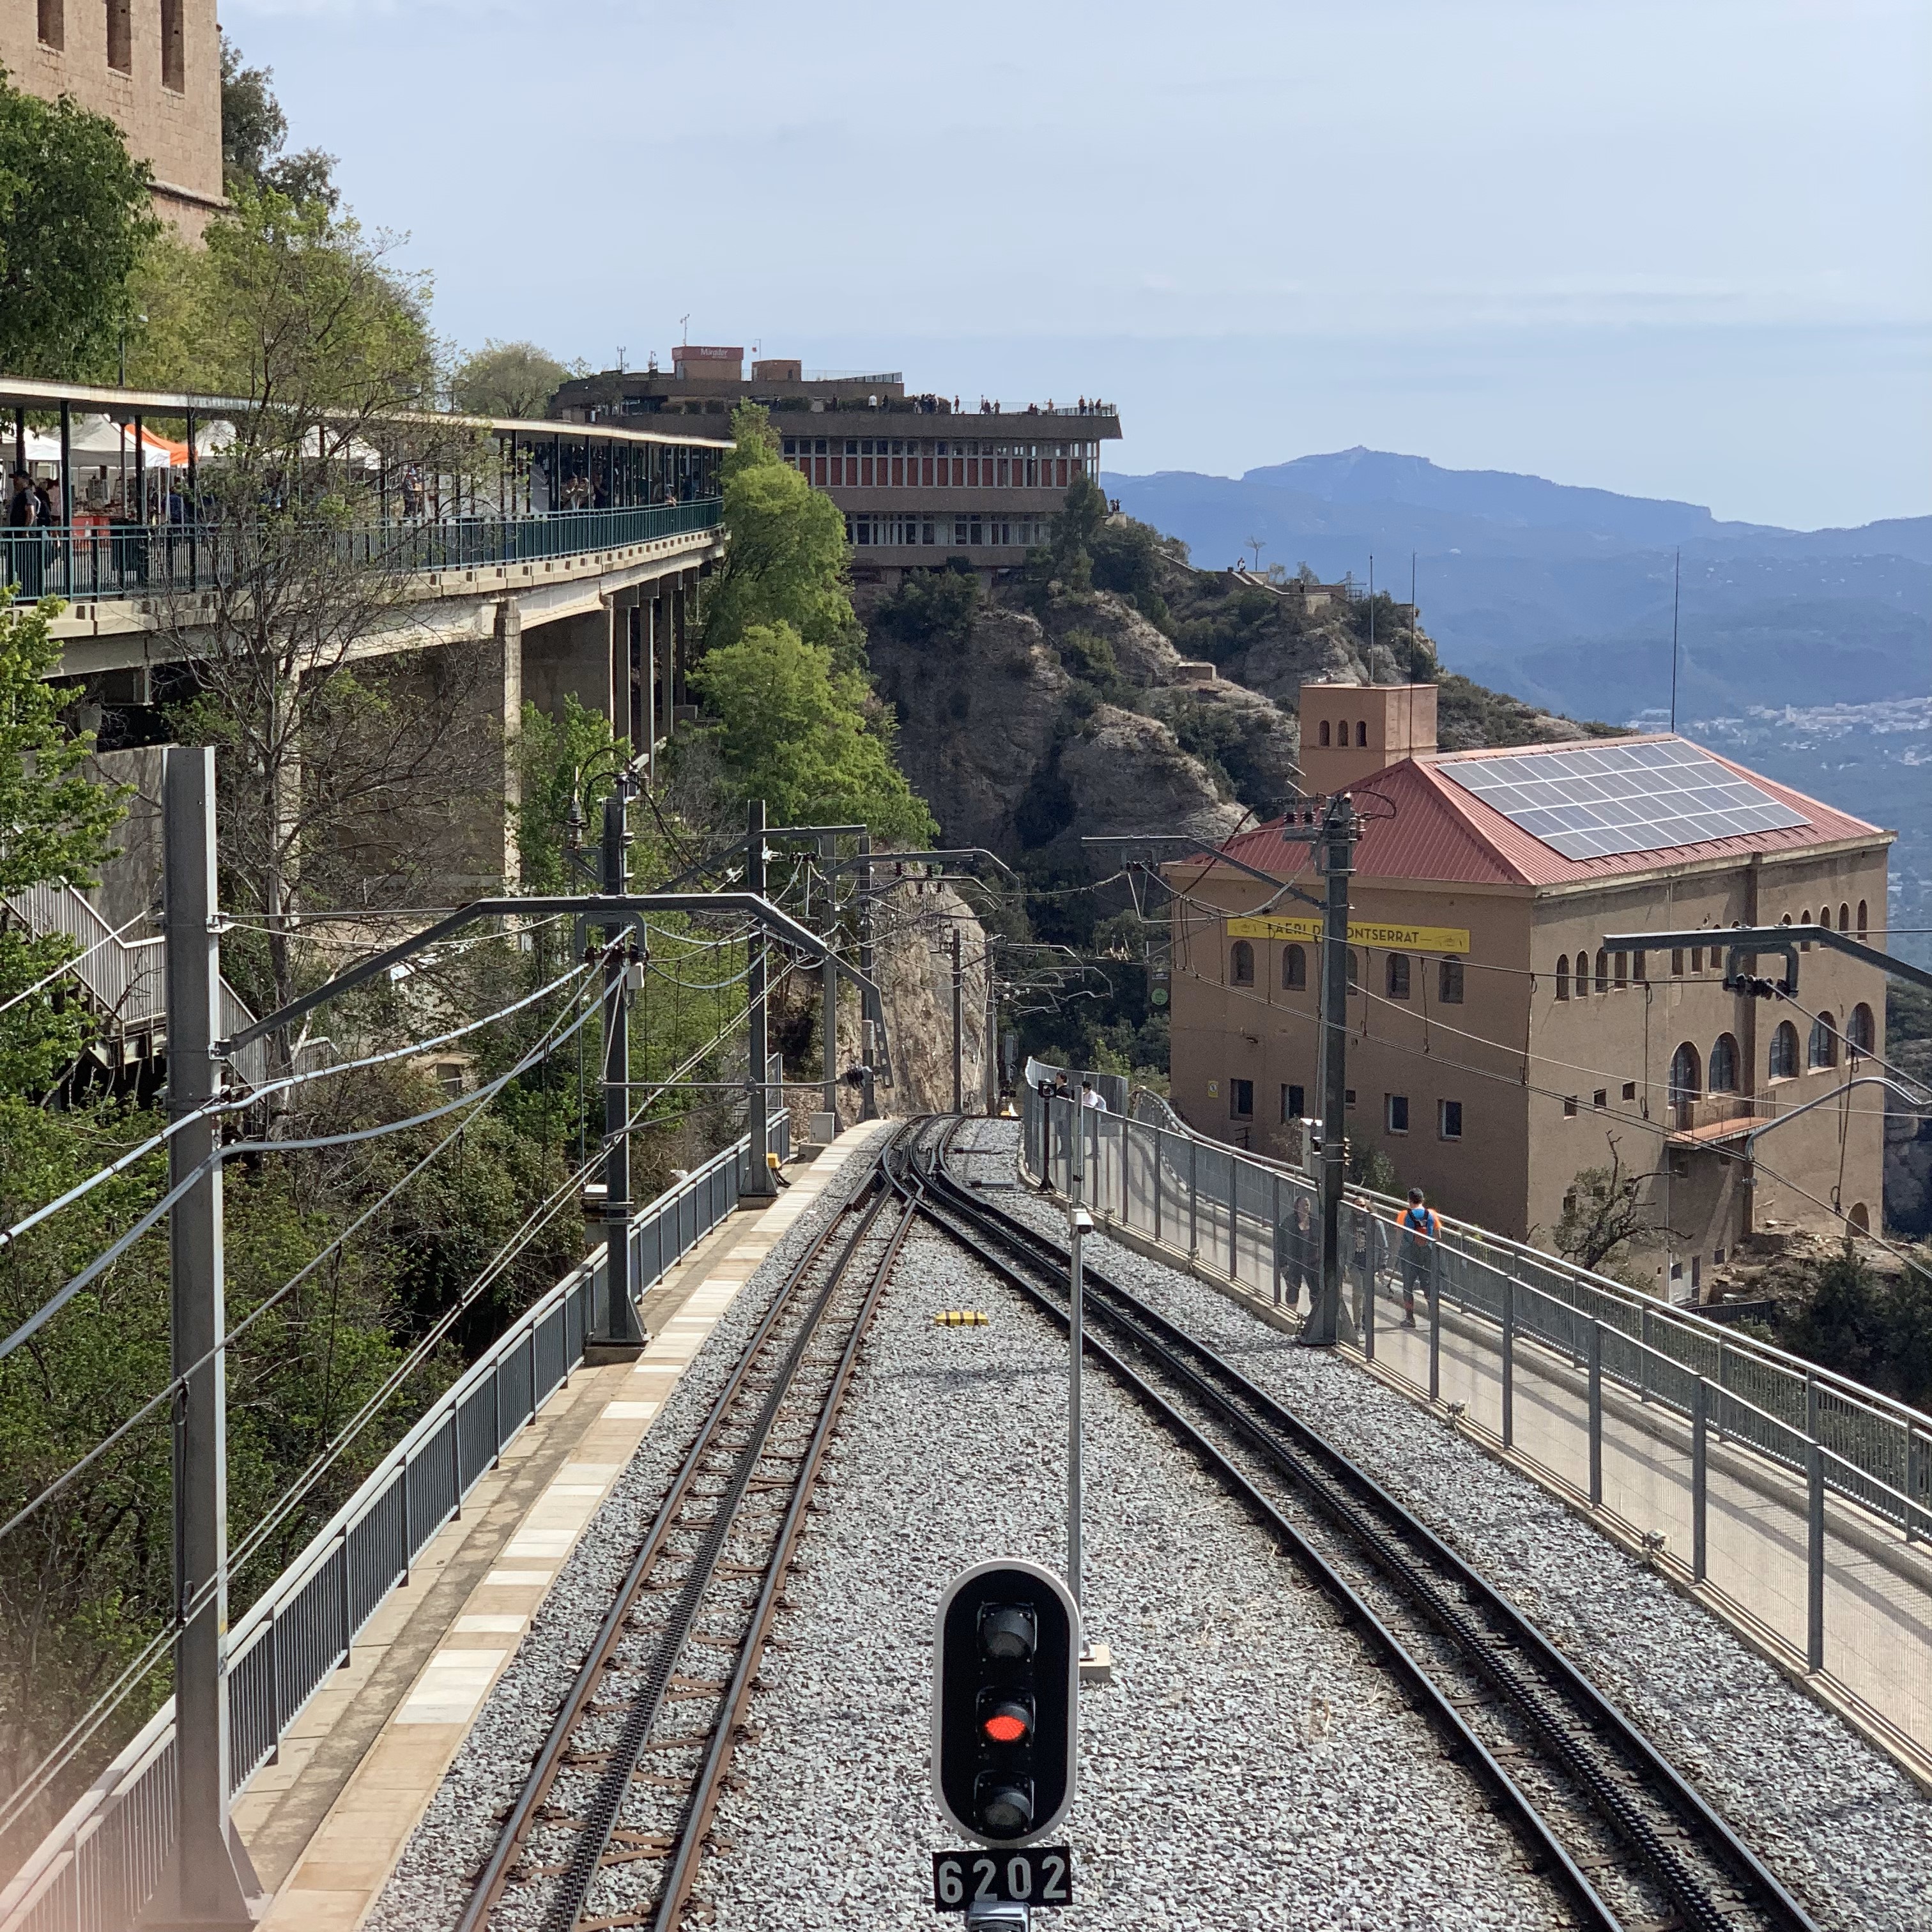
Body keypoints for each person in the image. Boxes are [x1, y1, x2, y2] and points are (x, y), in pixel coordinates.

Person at [1398, 1187, 1440, 1327]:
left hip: (1410, 1255)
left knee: (1408, 1287)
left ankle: (1410, 1319)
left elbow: (1399, 1236)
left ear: (1409, 1200)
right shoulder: (1432, 1214)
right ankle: (1434, 1319)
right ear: (1423, 1200)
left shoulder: (1404, 1215)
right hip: (1427, 1255)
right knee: (1428, 1287)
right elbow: (1437, 1236)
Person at [1276, 1193, 1315, 1310]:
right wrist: (1282, 1264)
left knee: (1315, 1290)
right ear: (1297, 1207)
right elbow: (1280, 1244)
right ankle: (1291, 1314)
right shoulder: (1289, 1223)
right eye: (1303, 1205)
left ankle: (1314, 1317)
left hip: (1312, 1261)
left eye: (1307, 1205)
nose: (1305, 1208)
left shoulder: (1315, 1222)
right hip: (1293, 1262)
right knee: (1293, 1288)